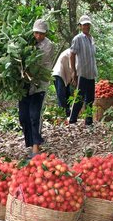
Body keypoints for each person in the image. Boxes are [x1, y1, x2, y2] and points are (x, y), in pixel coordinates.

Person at [18, 19, 55, 157]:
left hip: (39, 85)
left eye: (41, 34)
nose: (38, 36)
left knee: (34, 115)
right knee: (23, 116)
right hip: (24, 85)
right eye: (36, 33)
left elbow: (37, 61)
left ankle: (36, 146)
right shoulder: (28, 42)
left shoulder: (49, 46)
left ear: (45, 33)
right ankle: (30, 142)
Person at [68, 15, 97, 126]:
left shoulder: (91, 38)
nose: (86, 26)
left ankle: (89, 121)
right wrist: (73, 71)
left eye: (88, 24)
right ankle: (72, 120)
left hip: (91, 73)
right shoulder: (78, 39)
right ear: (80, 26)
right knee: (79, 97)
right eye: (84, 25)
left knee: (90, 98)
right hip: (82, 72)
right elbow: (72, 54)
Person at [52, 48, 74, 117]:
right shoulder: (69, 53)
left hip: (65, 76)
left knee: (68, 94)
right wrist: (72, 78)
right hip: (59, 74)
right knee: (61, 95)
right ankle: (62, 114)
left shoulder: (73, 53)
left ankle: (67, 113)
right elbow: (70, 68)